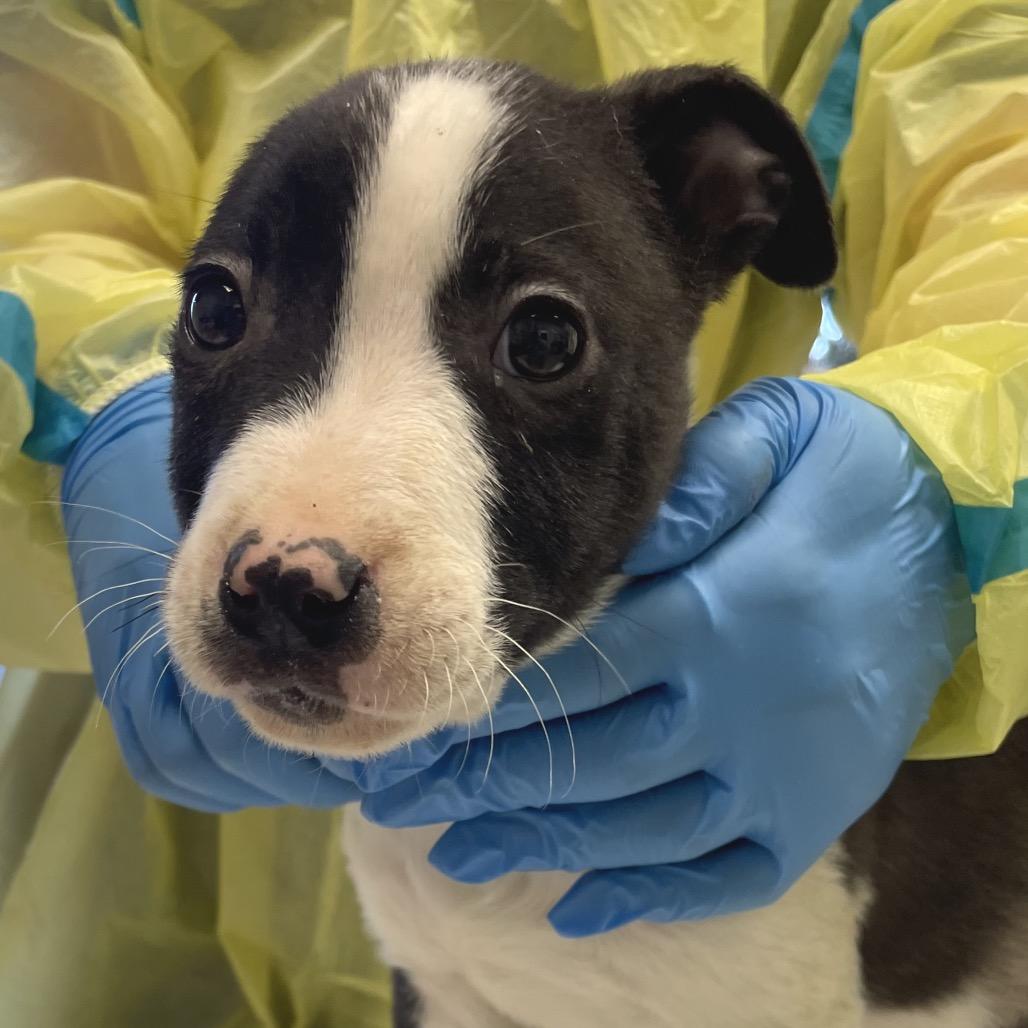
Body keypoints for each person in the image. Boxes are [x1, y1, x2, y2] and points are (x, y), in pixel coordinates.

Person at [1, 0, 1025, 1023]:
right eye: (222, 311)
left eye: (538, 341)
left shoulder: (763, 729)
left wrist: (934, 475)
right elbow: (35, 190)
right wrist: (93, 401)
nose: (293, 563)